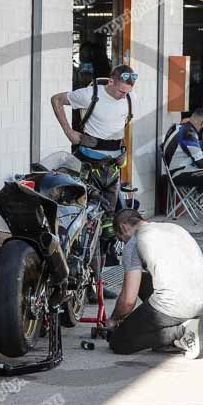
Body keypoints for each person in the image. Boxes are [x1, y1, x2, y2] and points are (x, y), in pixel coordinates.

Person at [51, 64, 138, 299]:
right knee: (83, 224)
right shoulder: (91, 95)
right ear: (111, 82)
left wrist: (122, 152)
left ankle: (95, 285)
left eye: (127, 92)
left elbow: (119, 127)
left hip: (112, 171)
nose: (123, 95)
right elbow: (56, 99)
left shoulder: (129, 98)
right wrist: (69, 132)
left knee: (106, 229)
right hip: (88, 169)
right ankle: (71, 280)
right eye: (121, 91)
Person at [106, 210, 203, 359]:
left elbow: (128, 302)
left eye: (121, 239)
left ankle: (181, 332)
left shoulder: (134, 243)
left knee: (119, 342)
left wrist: (113, 320)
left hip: (176, 305)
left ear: (123, 228)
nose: (123, 243)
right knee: (142, 279)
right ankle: (179, 330)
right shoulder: (174, 227)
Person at [162, 108, 203, 227]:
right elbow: (199, 160)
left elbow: (198, 157)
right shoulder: (188, 132)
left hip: (178, 171)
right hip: (179, 174)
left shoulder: (180, 128)